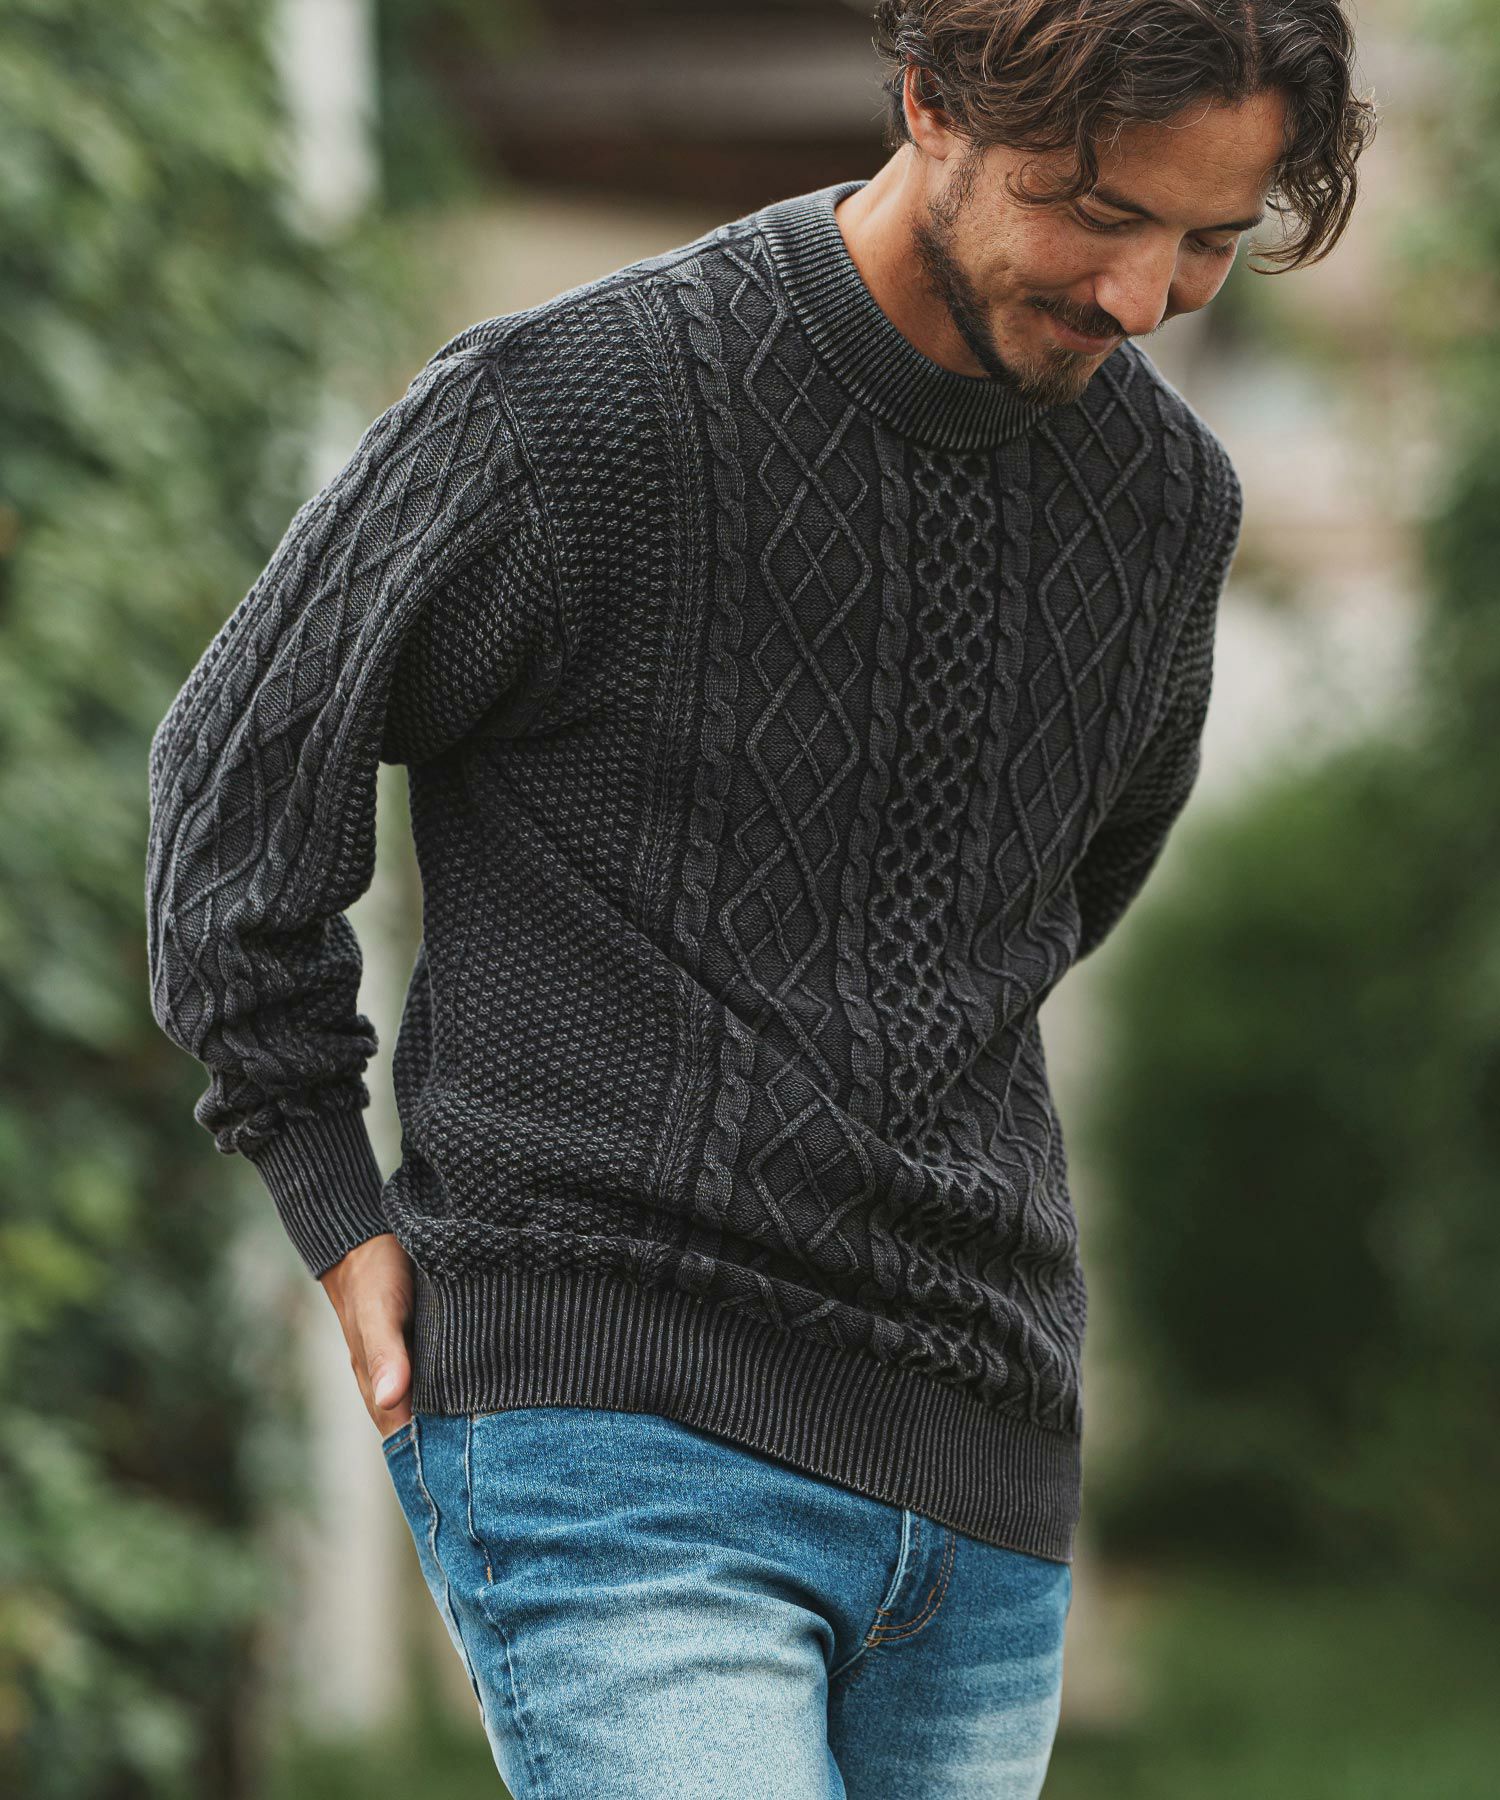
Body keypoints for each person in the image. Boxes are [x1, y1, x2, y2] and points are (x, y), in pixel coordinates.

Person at [144, 2, 1376, 1793]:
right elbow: (237, 781)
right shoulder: (572, 412)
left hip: (978, 1456)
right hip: (612, 1418)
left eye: (1208, 241)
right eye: (1099, 211)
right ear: (932, 102)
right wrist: (330, 1189)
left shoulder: (1164, 505)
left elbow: (1056, 895)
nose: (1141, 297)